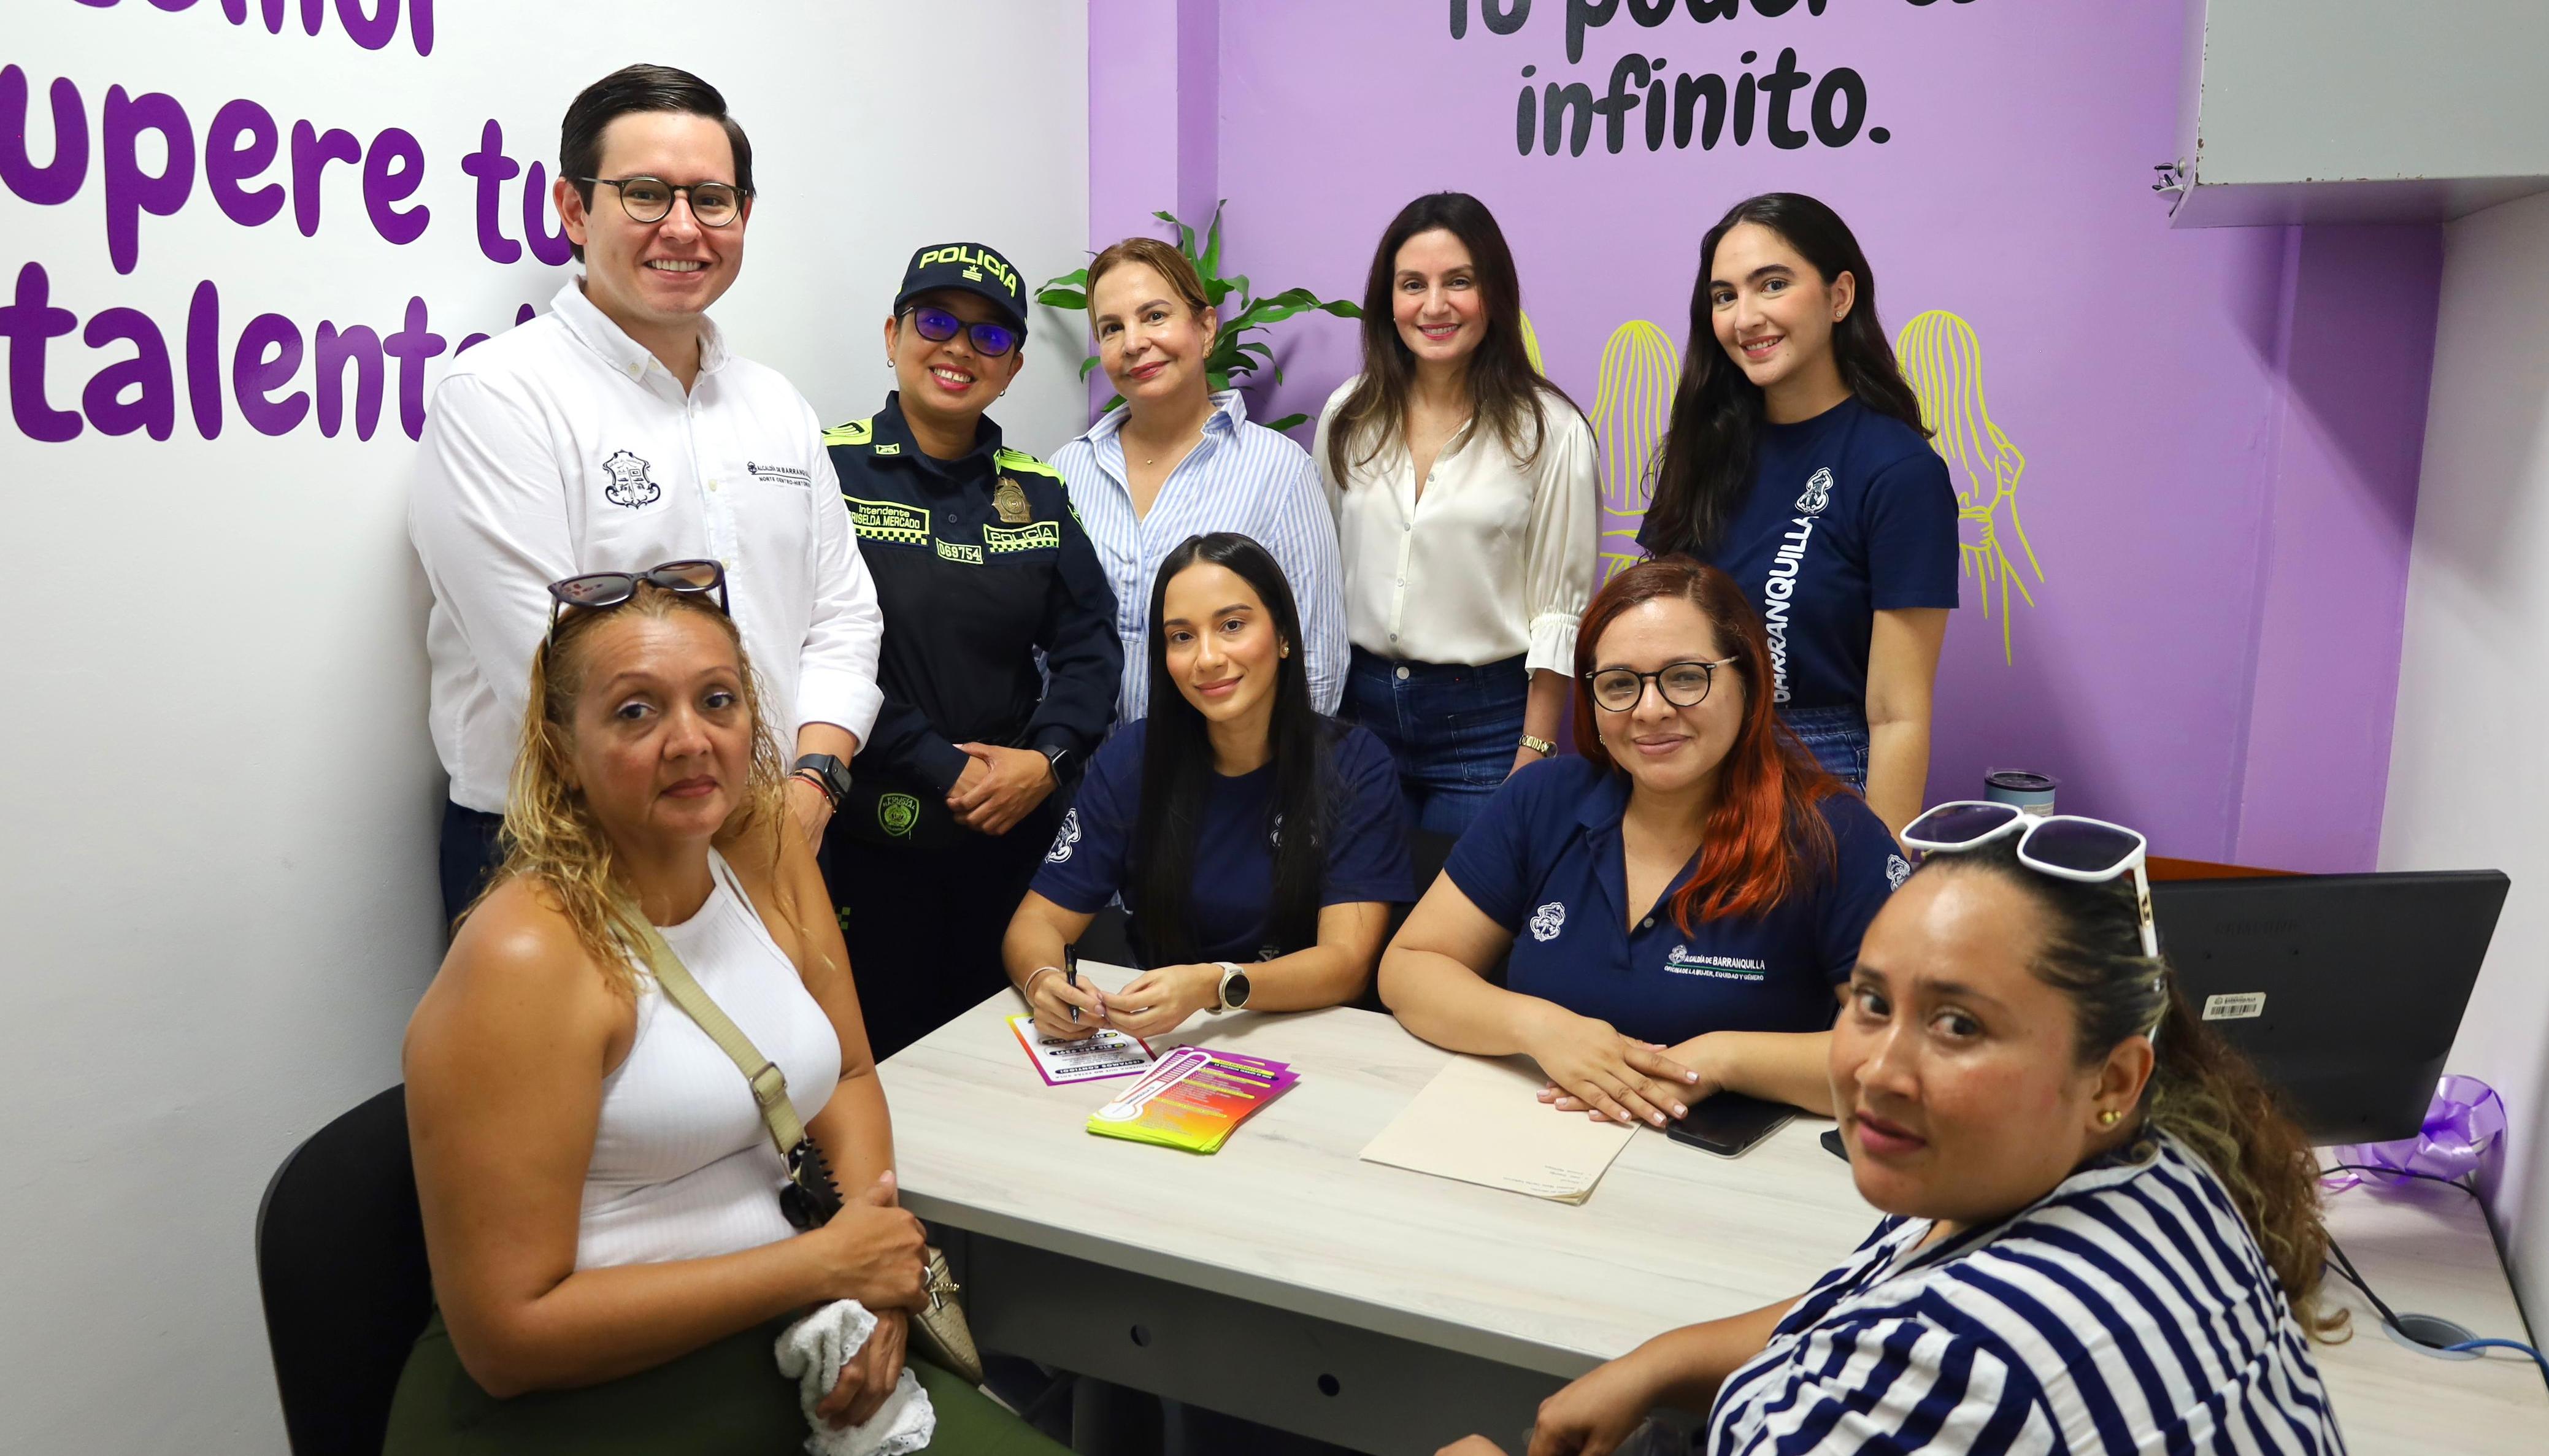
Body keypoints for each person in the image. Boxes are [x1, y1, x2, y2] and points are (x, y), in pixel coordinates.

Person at [388, 573, 1064, 1454]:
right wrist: (828, 1264)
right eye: (635, 712)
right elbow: (507, 1337)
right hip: (585, 1402)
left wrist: (870, 1282)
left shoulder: (766, 845)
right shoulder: (528, 953)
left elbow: (849, 1074)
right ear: (561, 751)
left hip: (793, 1335)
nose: (689, 741)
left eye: (717, 700)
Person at [1438, 817, 2347, 1456]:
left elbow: (1918, 1348)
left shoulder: (1968, 1366)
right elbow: (1865, 1299)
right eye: (1871, 1003)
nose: (1876, 1069)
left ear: (2109, 1079)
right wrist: (1656, 1362)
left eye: (1957, 1025)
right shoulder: (2165, 1172)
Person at [411, 64, 881, 927]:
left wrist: (813, 785)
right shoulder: (498, 397)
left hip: (779, 834)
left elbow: (844, 619)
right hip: (567, 848)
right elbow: (546, 669)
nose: (683, 227)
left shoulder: (776, 405)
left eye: (711, 199)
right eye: (644, 193)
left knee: (790, 1067)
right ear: (573, 209)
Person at [1379, 557, 1904, 1129]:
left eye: (1685, 676)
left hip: (1735, 1177)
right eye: (1619, 685)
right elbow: (1410, 969)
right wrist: (1540, 1028)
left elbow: (1903, 1052)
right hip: (1536, 1141)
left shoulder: (1836, 834)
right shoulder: (1542, 799)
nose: (1650, 711)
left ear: (1749, 682)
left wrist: (1721, 1059)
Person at [818, 242, 1121, 1060]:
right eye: (937, 321)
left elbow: (1090, 645)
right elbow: (812, 647)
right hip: (867, 838)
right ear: (893, 334)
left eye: (989, 337)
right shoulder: (826, 467)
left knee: (1005, 1064)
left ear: (1014, 365)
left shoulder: (1041, 490)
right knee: (875, 1063)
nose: (959, 348)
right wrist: (937, 764)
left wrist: (1046, 760)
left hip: (1009, 836)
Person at [1003, 532, 1412, 1041]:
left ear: (1284, 635)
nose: (1208, 658)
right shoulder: (1133, 758)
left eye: (1232, 626)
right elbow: (1034, 924)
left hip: (1310, 1035)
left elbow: (1346, 966)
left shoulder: (1353, 764)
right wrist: (1044, 982)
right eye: (1181, 637)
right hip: (1164, 1040)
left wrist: (1213, 986)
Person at [1634, 193, 1957, 838]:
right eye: (1724, 296)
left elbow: (1897, 715)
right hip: (1686, 764)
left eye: (1772, 285)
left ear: (1840, 297)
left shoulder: (1898, 471)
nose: (1744, 317)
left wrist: (1884, 876)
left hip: (1820, 777)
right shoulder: (1702, 451)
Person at [1315, 193, 1597, 837]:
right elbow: (1321, 572)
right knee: (1358, 921)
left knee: (1461, 933)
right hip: (1357, 719)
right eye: (1413, 284)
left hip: (1487, 728)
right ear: (1388, 300)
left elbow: (1560, 612)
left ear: (1494, 292)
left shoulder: (1550, 431)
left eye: (1459, 282)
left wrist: (1536, 750)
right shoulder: (1348, 416)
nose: (1435, 306)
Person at [1050, 237, 1348, 724]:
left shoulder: (1277, 470)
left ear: (1205, 328)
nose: (1132, 343)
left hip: (1229, 783)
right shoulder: (1067, 472)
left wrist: (1272, 786)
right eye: (1111, 328)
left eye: (1154, 316)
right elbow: (1045, 645)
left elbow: (1317, 658)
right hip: (1089, 781)